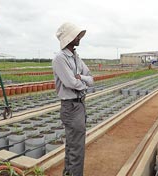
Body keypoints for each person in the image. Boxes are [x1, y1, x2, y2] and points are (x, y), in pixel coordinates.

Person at [52, 22, 94, 176]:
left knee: (73, 145)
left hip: (80, 105)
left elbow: (91, 79)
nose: (79, 38)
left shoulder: (76, 57)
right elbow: (71, 83)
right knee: (76, 148)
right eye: (76, 35)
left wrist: (81, 78)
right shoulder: (60, 59)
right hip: (71, 106)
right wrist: (83, 84)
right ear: (69, 38)